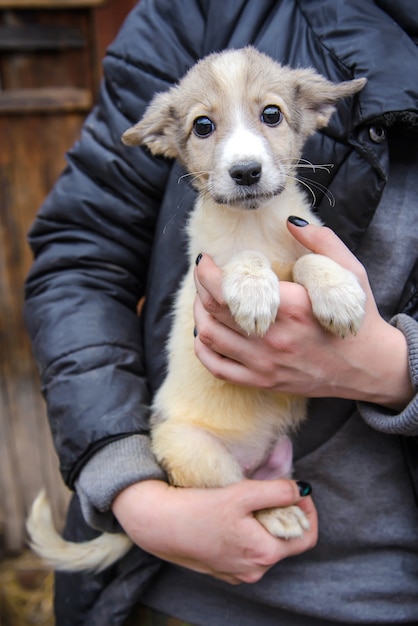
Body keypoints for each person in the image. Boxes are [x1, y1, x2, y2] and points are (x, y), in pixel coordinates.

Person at [24, 0, 418, 624]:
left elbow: (306, 260)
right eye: (205, 127)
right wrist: (138, 500)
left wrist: (397, 367)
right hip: (183, 586)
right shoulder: (199, 10)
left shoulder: (294, 184)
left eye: (270, 117)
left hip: (393, 589)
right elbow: (79, 254)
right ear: (166, 138)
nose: (244, 153)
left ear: (315, 112)